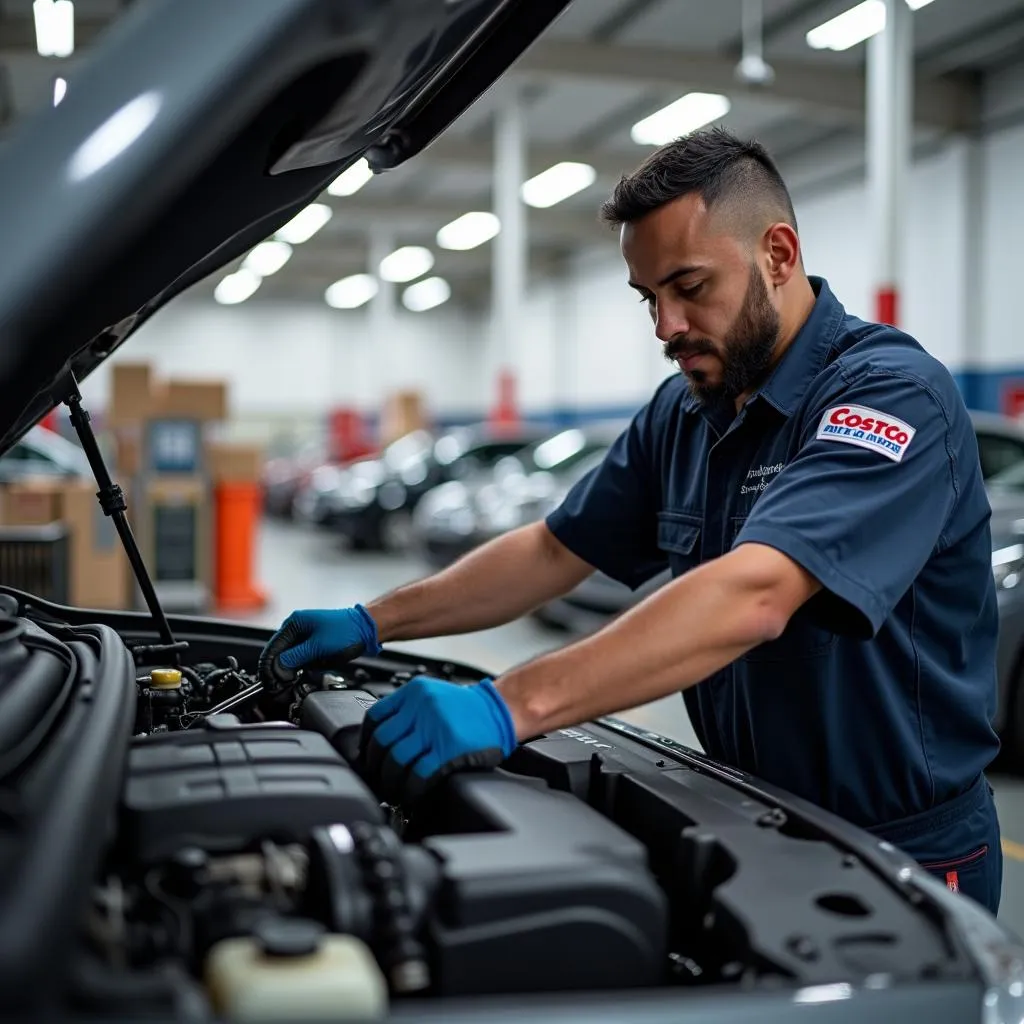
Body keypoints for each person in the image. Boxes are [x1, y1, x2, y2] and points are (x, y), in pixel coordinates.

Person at [260, 128, 1003, 913]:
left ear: (778, 255)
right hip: (750, 814)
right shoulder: (686, 414)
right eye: (650, 297)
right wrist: (373, 620)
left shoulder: (887, 394)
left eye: (689, 286)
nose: (665, 327)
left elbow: (756, 593)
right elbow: (553, 549)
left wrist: (508, 705)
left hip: (905, 848)